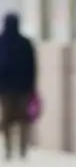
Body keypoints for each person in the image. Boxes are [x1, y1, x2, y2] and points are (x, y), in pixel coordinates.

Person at [0, 12, 36, 162]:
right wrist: (32, 86)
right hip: (22, 88)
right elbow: (32, 67)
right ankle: (22, 148)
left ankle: (9, 149)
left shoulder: (2, 42)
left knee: (7, 120)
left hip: (6, 88)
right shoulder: (25, 43)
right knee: (23, 120)